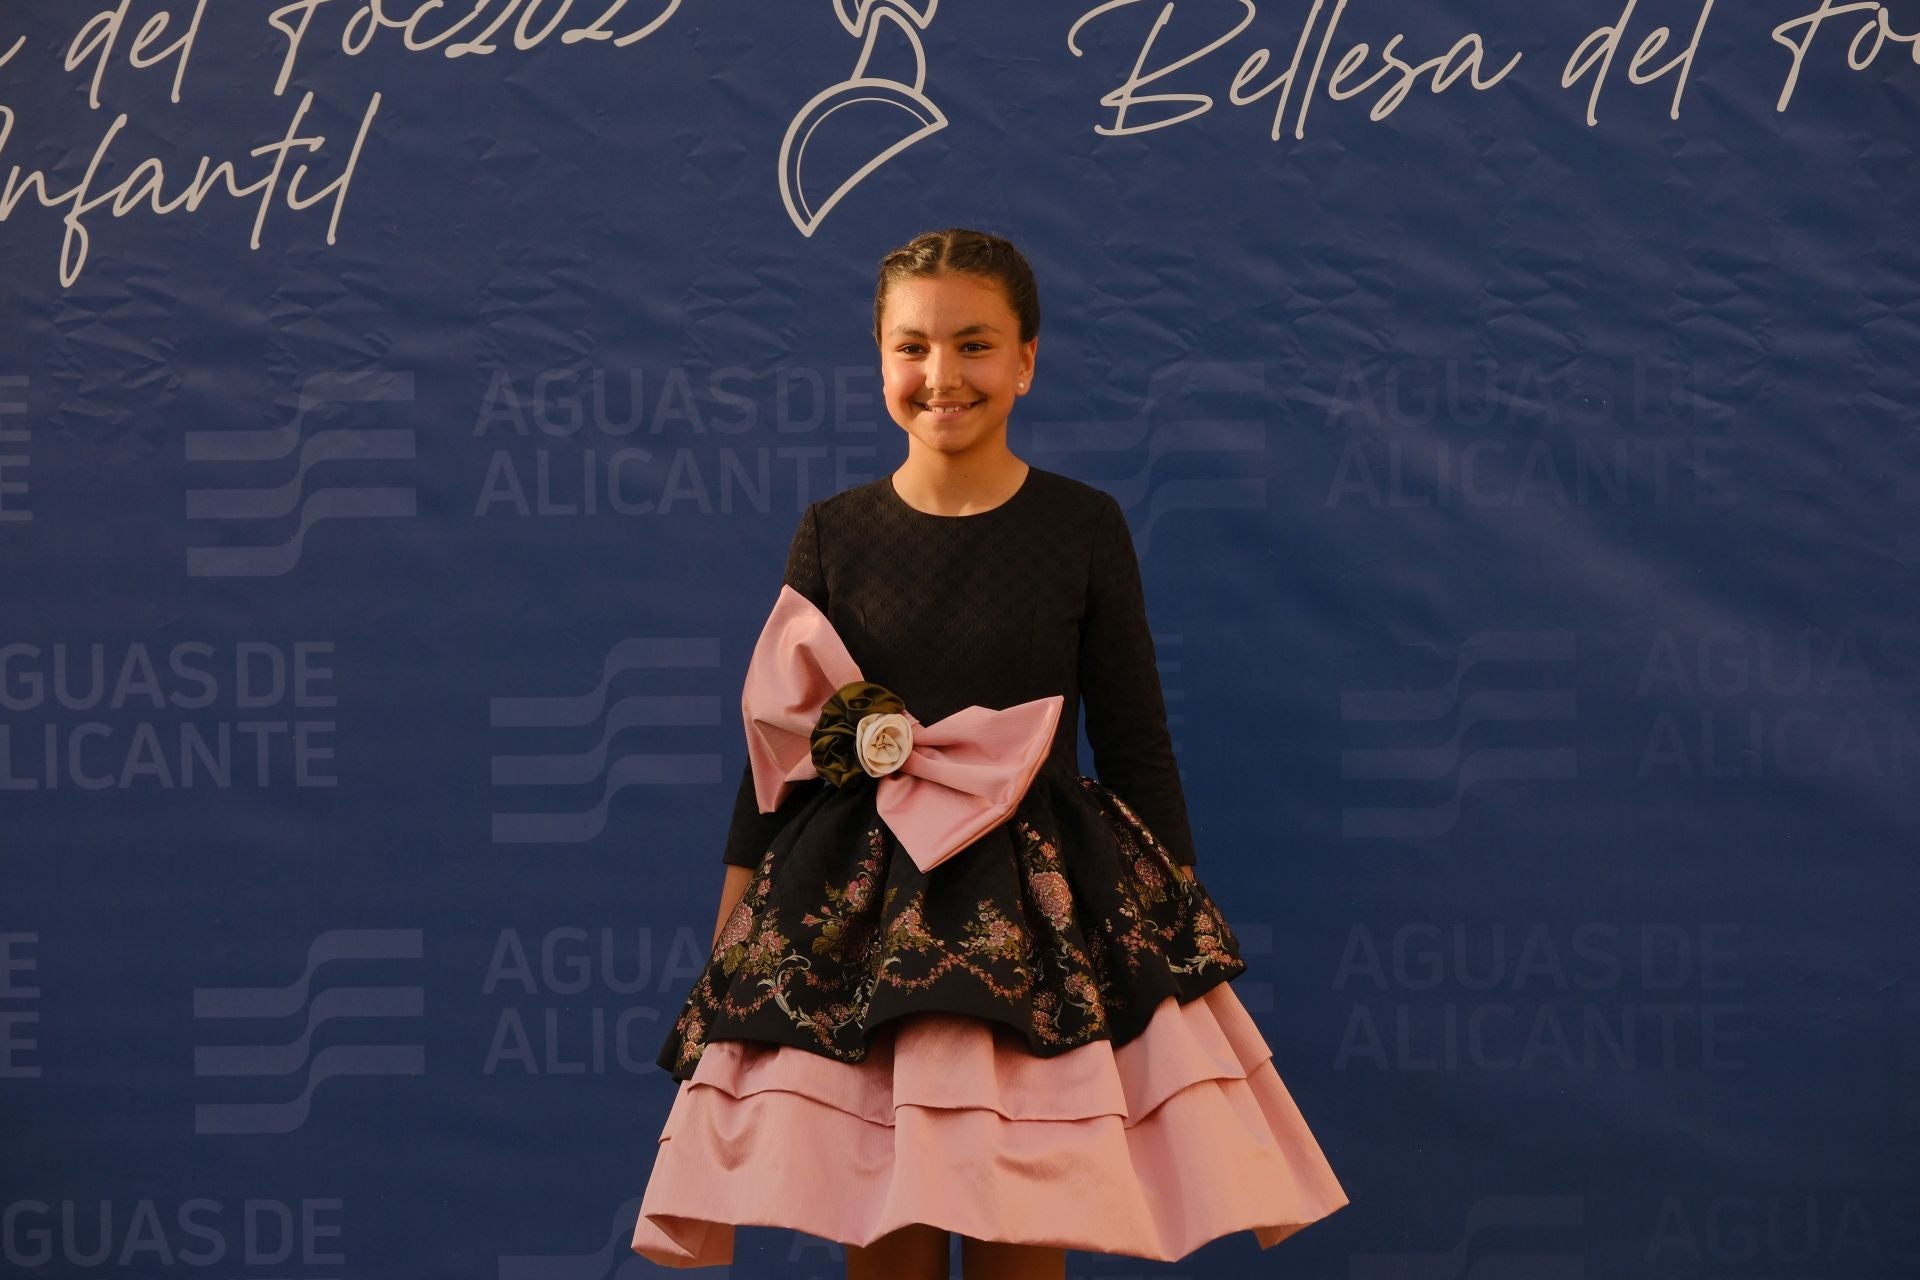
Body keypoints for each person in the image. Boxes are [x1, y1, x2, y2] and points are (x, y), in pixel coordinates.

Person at [631, 228, 1348, 1278]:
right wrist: (734, 923)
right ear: (879, 356)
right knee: (884, 1233)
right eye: (912, 346)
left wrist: (1172, 932)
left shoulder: (1081, 525)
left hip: (1041, 923)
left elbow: (1137, 737)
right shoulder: (834, 531)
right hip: (857, 924)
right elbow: (786, 739)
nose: (941, 375)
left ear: (1025, 359)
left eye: (973, 344)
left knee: (1022, 1233)